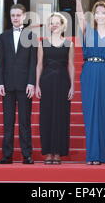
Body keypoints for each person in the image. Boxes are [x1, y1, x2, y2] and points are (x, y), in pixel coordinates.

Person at [76, 0, 105, 165]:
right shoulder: (87, 30)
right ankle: (92, 155)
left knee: (102, 113)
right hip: (89, 71)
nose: (100, 15)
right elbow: (79, 16)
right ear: (93, 15)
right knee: (90, 113)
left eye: (103, 12)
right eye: (97, 12)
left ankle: (100, 155)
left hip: (104, 72)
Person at [0, 3, 37, 164]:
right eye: (13, 15)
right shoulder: (3, 36)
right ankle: (7, 155)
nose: (15, 18)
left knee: (24, 121)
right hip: (6, 85)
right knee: (7, 122)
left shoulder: (31, 35)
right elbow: (0, 62)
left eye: (18, 15)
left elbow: (33, 62)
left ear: (24, 16)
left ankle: (27, 155)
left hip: (24, 85)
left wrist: (31, 82)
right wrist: (0, 83)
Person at [35, 13, 75, 164]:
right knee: (46, 116)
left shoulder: (69, 44)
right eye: (52, 23)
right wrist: (37, 84)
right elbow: (39, 64)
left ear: (63, 25)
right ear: (49, 26)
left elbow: (71, 65)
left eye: (57, 23)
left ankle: (58, 152)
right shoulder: (42, 43)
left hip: (63, 82)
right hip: (46, 82)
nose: (54, 25)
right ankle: (48, 153)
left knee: (61, 116)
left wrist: (72, 85)